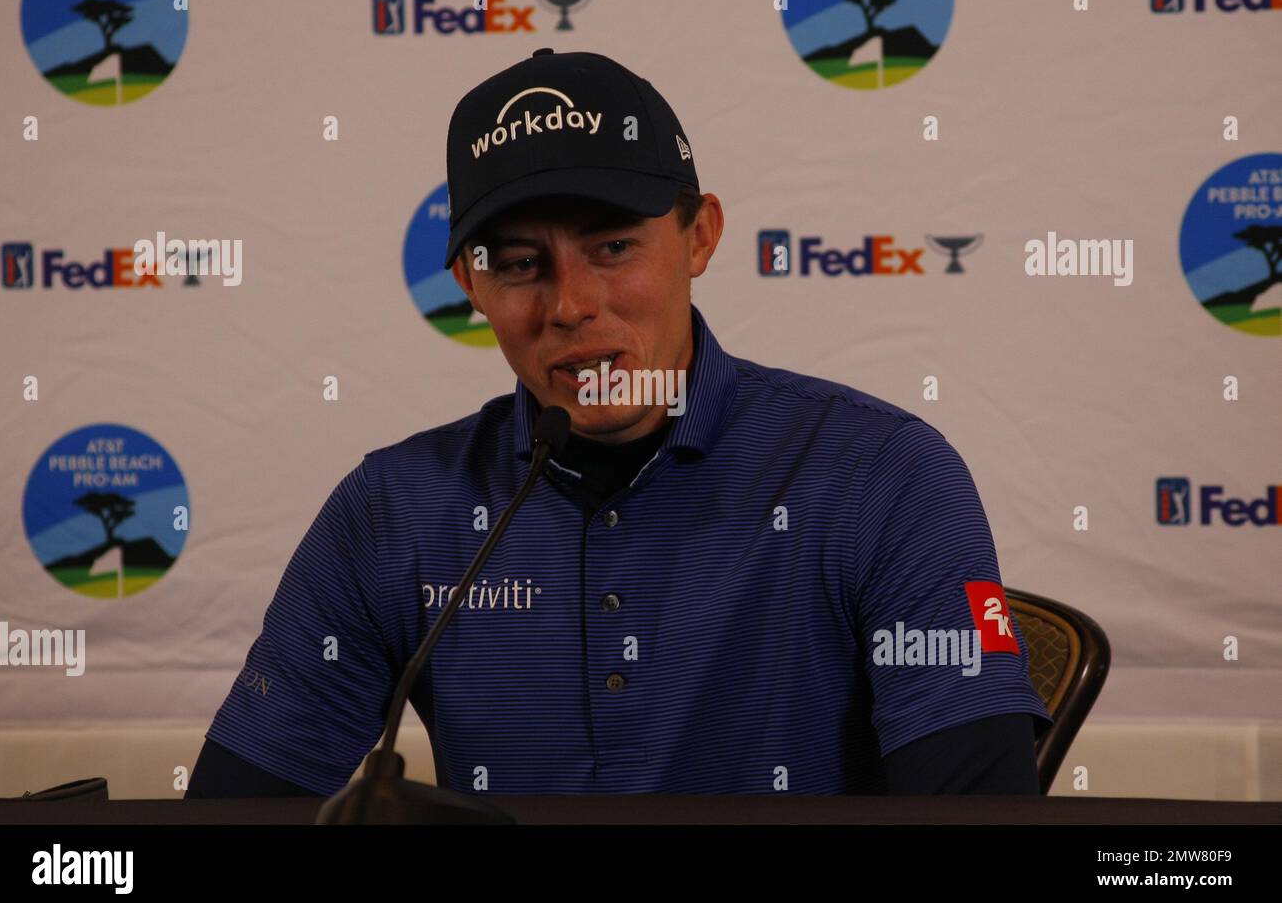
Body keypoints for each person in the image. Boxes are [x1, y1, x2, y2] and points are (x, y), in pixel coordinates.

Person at [187, 49, 1050, 799]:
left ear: (701, 236)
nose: (570, 304)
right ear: (469, 284)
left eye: (613, 248)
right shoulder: (391, 511)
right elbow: (235, 814)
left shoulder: (884, 476)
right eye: (521, 264)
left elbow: (981, 820)